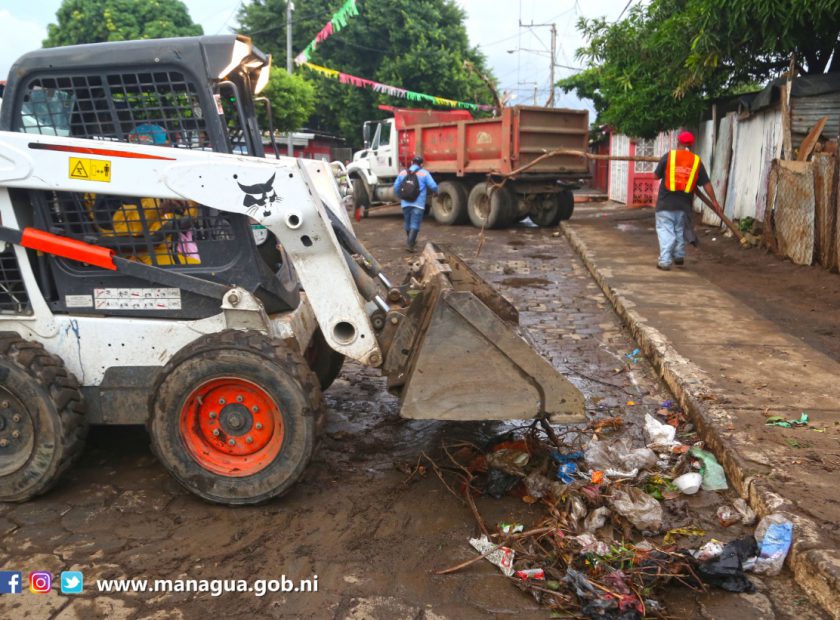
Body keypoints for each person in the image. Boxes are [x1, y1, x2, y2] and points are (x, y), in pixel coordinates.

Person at [653, 131, 723, 270]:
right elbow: (706, 183)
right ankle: (678, 255)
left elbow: (656, 176)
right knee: (679, 229)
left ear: (678, 142)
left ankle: (665, 261)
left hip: (665, 203)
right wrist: (714, 201)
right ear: (691, 145)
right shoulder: (696, 161)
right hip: (684, 206)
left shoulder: (668, 157)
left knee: (666, 230)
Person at [393, 155, 438, 252]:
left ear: (412, 163)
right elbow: (433, 186)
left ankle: (411, 241)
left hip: (405, 203)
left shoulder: (403, 173)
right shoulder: (424, 173)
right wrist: (436, 192)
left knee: (407, 222)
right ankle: (410, 244)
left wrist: (400, 196)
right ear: (421, 164)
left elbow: (396, 186)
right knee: (415, 223)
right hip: (418, 203)